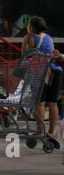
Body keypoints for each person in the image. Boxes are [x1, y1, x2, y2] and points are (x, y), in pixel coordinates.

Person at [23, 17, 61, 150]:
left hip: (40, 72)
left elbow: (24, 56)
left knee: (40, 102)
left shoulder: (29, 38)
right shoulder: (49, 38)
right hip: (55, 71)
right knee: (53, 103)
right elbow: (52, 53)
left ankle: (40, 131)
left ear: (31, 27)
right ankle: (51, 132)